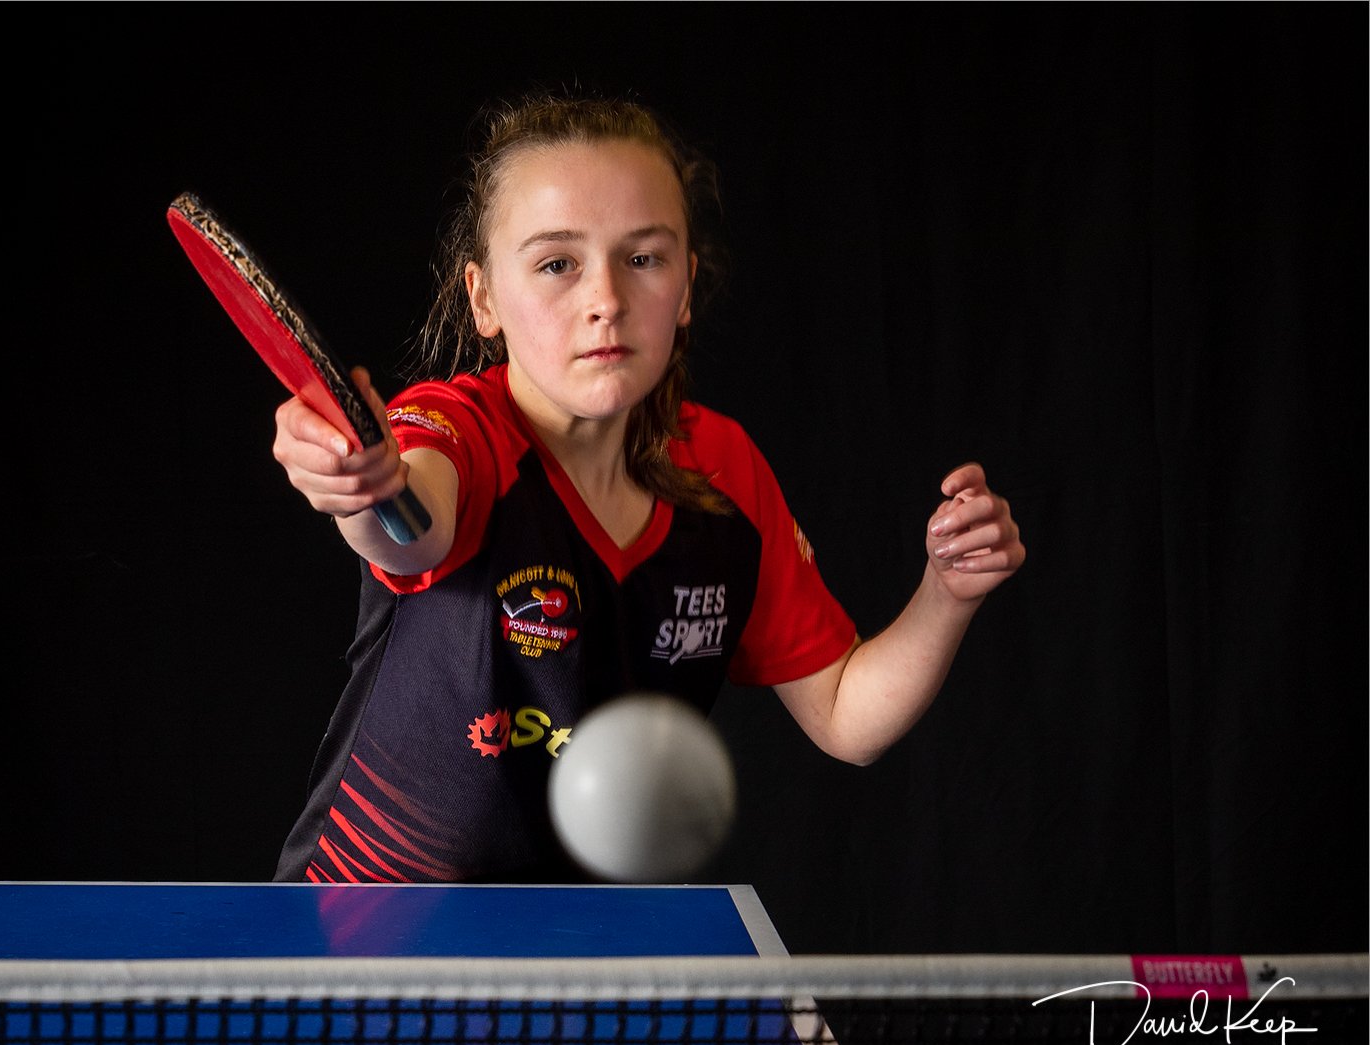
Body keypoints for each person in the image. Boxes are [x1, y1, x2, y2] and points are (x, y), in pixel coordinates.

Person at [269, 93, 1025, 884]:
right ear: (483, 297)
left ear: (687, 286)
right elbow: (411, 522)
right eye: (557, 263)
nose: (606, 300)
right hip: (369, 941)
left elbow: (845, 713)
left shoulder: (723, 472)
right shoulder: (457, 431)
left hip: (592, 950)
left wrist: (949, 591)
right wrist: (362, 484)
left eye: (644, 258)